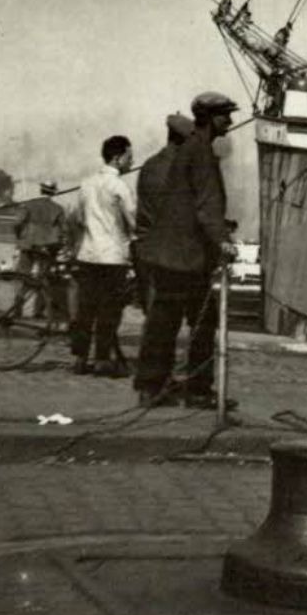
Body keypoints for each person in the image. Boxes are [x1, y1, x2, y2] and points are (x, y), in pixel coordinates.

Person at [134, 98, 235, 407]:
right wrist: (223, 241)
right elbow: (206, 205)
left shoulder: (185, 151)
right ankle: (198, 390)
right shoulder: (202, 152)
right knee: (203, 324)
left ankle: (151, 387)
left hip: (168, 254)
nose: (230, 123)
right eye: (225, 117)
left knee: (163, 322)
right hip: (189, 257)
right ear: (211, 119)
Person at [68, 135, 136, 378]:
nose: (132, 160)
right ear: (117, 159)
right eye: (129, 156)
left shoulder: (86, 183)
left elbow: (77, 218)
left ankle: (79, 357)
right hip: (113, 257)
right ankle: (102, 359)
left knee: (85, 309)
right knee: (109, 310)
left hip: (87, 254)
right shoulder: (121, 187)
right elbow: (134, 220)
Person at [133, 112, 196, 311]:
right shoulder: (185, 167)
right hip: (174, 250)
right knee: (168, 310)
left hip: (146, 246)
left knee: (152, 306)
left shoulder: (149, 165)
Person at [13, 180, 67, 280]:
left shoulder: (28, 205)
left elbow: (17, 223)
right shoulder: (58, 208)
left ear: (41, 190)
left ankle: (20, 294)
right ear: (54, 193)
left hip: (28, 243)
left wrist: (19, 237)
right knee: (43, 275)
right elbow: (64, 229)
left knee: (22, 274)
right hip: (47, 245)